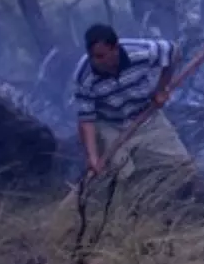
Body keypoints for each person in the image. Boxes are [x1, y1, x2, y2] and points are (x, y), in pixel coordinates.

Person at [73, 24, 194, 188]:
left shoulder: (141, 52)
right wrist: (93, 157)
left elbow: (173, 52)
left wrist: (161, 89)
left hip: (146, 116)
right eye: (93, 56)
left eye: (101, 56)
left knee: (183, 166)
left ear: (115, 48)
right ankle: (128, 208)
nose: (96, 62)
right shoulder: (83, 75)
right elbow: (86, 119)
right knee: (122, 176)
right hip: (110, 125)